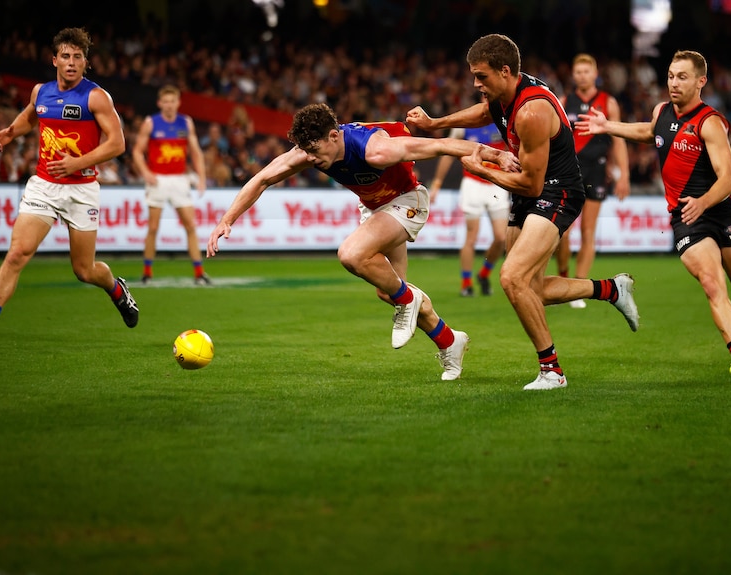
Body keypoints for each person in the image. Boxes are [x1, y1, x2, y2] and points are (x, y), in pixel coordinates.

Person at [207, 103, 518, 381]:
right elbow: (261, 178)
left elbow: (444, 146)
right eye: (306, 152)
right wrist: (226, 219)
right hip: (375, 208)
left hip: (407, 201)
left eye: (315, 151)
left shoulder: (375, 150)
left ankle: (408, 301)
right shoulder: (309, 152)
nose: (312, 159)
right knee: (388, 290)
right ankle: (450, 341)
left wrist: (497, 155)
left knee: (352, 254)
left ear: (333, 136)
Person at [406, 33, 639, 390]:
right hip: (531, 193)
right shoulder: (502, 96)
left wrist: (480, 167)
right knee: (532, 289)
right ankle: (610, 290)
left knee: (512, 278)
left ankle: (553, 371)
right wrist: (435, 123)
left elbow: (531, 184)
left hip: (557, 192)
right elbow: (485, 112)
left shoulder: (531, 111)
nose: (475, 83)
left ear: (504, 71)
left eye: (481, 76)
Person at [577, 50, 731, 377]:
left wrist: (703, 201)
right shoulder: (661, 110)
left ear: (701, 81)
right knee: (711, 281)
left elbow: (728, 180)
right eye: (671, 76)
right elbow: (651, 132)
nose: (674, 83)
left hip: (720, 211)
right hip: (686, 218)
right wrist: (608, 126)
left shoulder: (710, 122)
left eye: (683, 77)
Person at [0, 27, 138, 349]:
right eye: (66, 56)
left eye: (78, 57)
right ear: (54, 59)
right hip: (44, 184)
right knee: (17, 253)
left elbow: (118, 143)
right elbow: (33, 116)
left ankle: (116, 288)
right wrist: (11, 133)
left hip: (81, 188)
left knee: (84, 270)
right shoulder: (40, 92)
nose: (71, 62)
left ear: (86, 62)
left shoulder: (96, 97)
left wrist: (77, 163)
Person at [556, 53, 631, 309]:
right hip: (570, 171)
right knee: (563, 232)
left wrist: (624, 176)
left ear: (595, 73)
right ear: (574, 75)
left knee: (588, 231)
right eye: (578, 72)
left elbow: (618, 140)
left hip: (597, 171)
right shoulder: (565, 101)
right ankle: (563, 274)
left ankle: (577, 288)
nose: (582, 76)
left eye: (587, 71)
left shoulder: (608, 102)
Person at [132, 84, 211, 285]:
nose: (169, 105)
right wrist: (146, 172)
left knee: (190, 225)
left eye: (172, 101)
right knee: (153, 227)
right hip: (158, 179)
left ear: (178, 103)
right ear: (160, 103)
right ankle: (147, 272)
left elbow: (195, 151)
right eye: (165, 102)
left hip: (179, 179)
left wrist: (201, 176)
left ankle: (199, 272)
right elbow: (137, 152)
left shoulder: (185, 123)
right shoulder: (151, 123)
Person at [428, 125, 509, 297]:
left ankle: (484, 274)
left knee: (501, 238)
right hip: (473, 184)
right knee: (471, 236)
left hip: (497, 183)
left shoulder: (504, 120)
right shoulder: (465, 126)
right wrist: (436, 184)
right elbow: (448, 154)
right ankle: (466, 283)